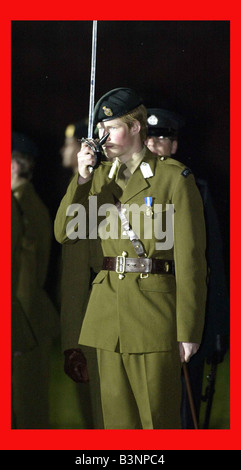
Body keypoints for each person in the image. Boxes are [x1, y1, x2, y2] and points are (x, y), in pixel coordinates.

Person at [54, 87, 207, 429]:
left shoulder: (173, 180)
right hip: (106, 321)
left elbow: (191, 260)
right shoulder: (98, 179)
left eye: (110, 127)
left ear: (136, 127)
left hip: (154, 320)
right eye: (99, 130)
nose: (101, 137)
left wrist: (188, 330)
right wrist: (81, 178)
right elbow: (67, 232)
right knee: (117, 429)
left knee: (157, 425)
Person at [145, 108, 229, 428]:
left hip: (182, 316)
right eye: (148, 137)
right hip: (142, 314)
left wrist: (217, 328)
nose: (154, 144)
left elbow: (210, 261)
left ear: (174, 146)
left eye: (162, 137)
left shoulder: (194, 188)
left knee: (183, 413)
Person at [11, 131, 60, 429]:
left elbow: (23, 273)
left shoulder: (19, 205)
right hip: (28, 319)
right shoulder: (28, 201)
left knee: (25, 414)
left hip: (23, 322)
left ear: (15, 165)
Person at [58, 120, 104, 428]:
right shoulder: (77, 194)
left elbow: (77, 280)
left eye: (73, 144)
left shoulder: (90, 194)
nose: (67, 150)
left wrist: (73, 343)